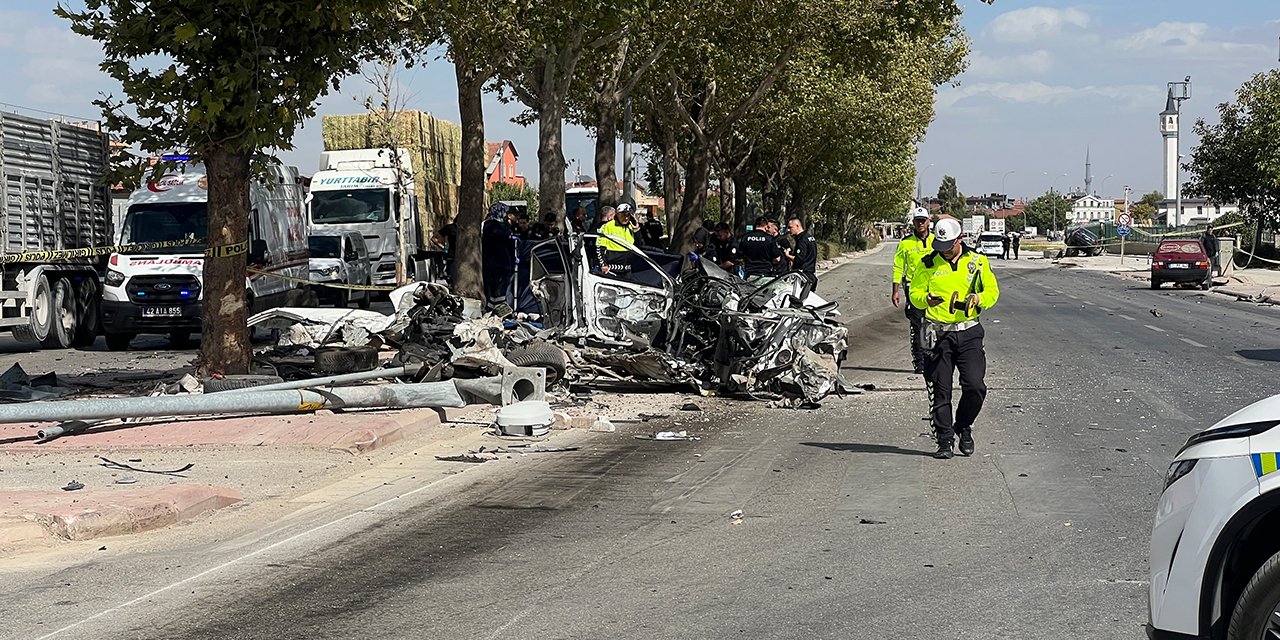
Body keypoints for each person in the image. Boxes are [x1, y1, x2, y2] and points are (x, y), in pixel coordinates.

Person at [909, 217, 1000, 459]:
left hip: (969, 332)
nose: (944, 251)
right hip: (938, 334)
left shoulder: (977, 262)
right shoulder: (927, 263)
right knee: (941, 389)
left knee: (975, 385)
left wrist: (979, 299)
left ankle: (963, 426)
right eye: (940, 246)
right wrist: (924, 300)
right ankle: (945, 440)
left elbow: (992, 291)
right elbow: (915, 292)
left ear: (960, 240)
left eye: (948, 246)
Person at [891, 207, 934, 374]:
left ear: (928, 221)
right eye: (918, 220)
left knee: (934, 324)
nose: (921, 223)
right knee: (918, 325)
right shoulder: (906, 242)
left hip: (934, 287)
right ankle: (920, 362)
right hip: (912, 287)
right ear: (914, 223)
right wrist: (895, 290)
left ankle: (935, 359)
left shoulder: (936, 240)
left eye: (923, 220)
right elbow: (898, 267)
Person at [481, 202, 517, 305]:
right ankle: (500, 307)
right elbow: (509, 246)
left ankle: (491, 306)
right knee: (501, 288)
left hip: (487, 261)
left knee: (490, 287)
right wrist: (514, 259)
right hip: (502, 263)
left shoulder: (485, 226)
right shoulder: (503, 228)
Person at [596, 203, 637, 276]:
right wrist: (603, 264)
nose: (626, 218)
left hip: (628, 269)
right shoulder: (608, 226)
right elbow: (599, 247)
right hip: (612, 270)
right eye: (623, 215)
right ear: (617, 214)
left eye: (628, 215)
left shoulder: (631, 227)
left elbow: (638, 245)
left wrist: (637, 230)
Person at [785, 216, 818, 289]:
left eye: (790, 227)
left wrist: (787, 255)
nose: (788, 230)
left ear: (797, 226)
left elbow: (799, 259)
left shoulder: (802, 240)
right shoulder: (809, 237)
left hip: (802, 276)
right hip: (810, 274)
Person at [430, 220, 457, 285]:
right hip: (452, 256)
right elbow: (434, 238)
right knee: (452, 276)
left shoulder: (468, 229)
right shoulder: (450, 228)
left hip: (464, 257)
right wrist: (443, 248)